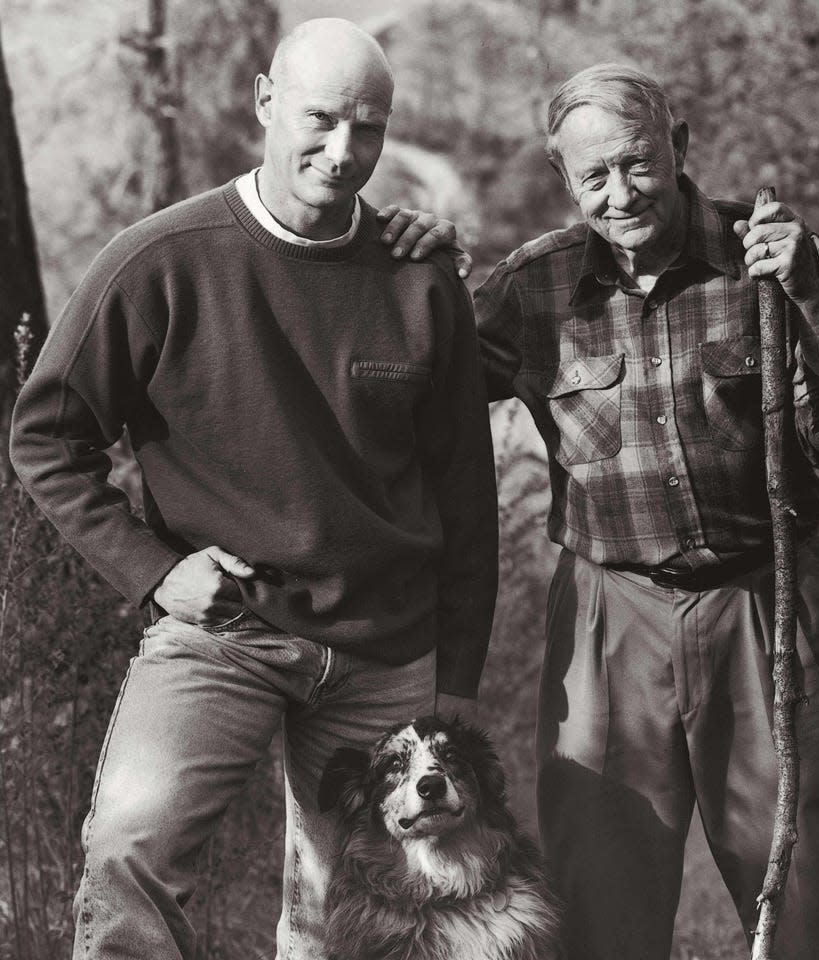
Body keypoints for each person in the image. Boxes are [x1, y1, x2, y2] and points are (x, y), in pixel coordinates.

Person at [9, 18, 497, 960]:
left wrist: (460, 680)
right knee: (128, 850)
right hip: (223, 629)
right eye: (320, 118)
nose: (343, 151)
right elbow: (45, 436)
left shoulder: (419, 278)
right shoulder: (160, 261)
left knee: (347, 915)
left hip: (386, 647)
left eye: (369, 128)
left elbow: (468, 500)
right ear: (267, 103)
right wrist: (154, 573)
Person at [395, 62, 819, 960]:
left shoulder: (768, 255)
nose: (620, 194)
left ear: (680, 147)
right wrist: (405, 264)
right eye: (594, 177)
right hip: (606, 617)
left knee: (799, 888)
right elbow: (412, 390)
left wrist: (811, 291)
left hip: (768, 600)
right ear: (565, 180)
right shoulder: (533, 288)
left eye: (638, 164)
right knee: (600, 889)